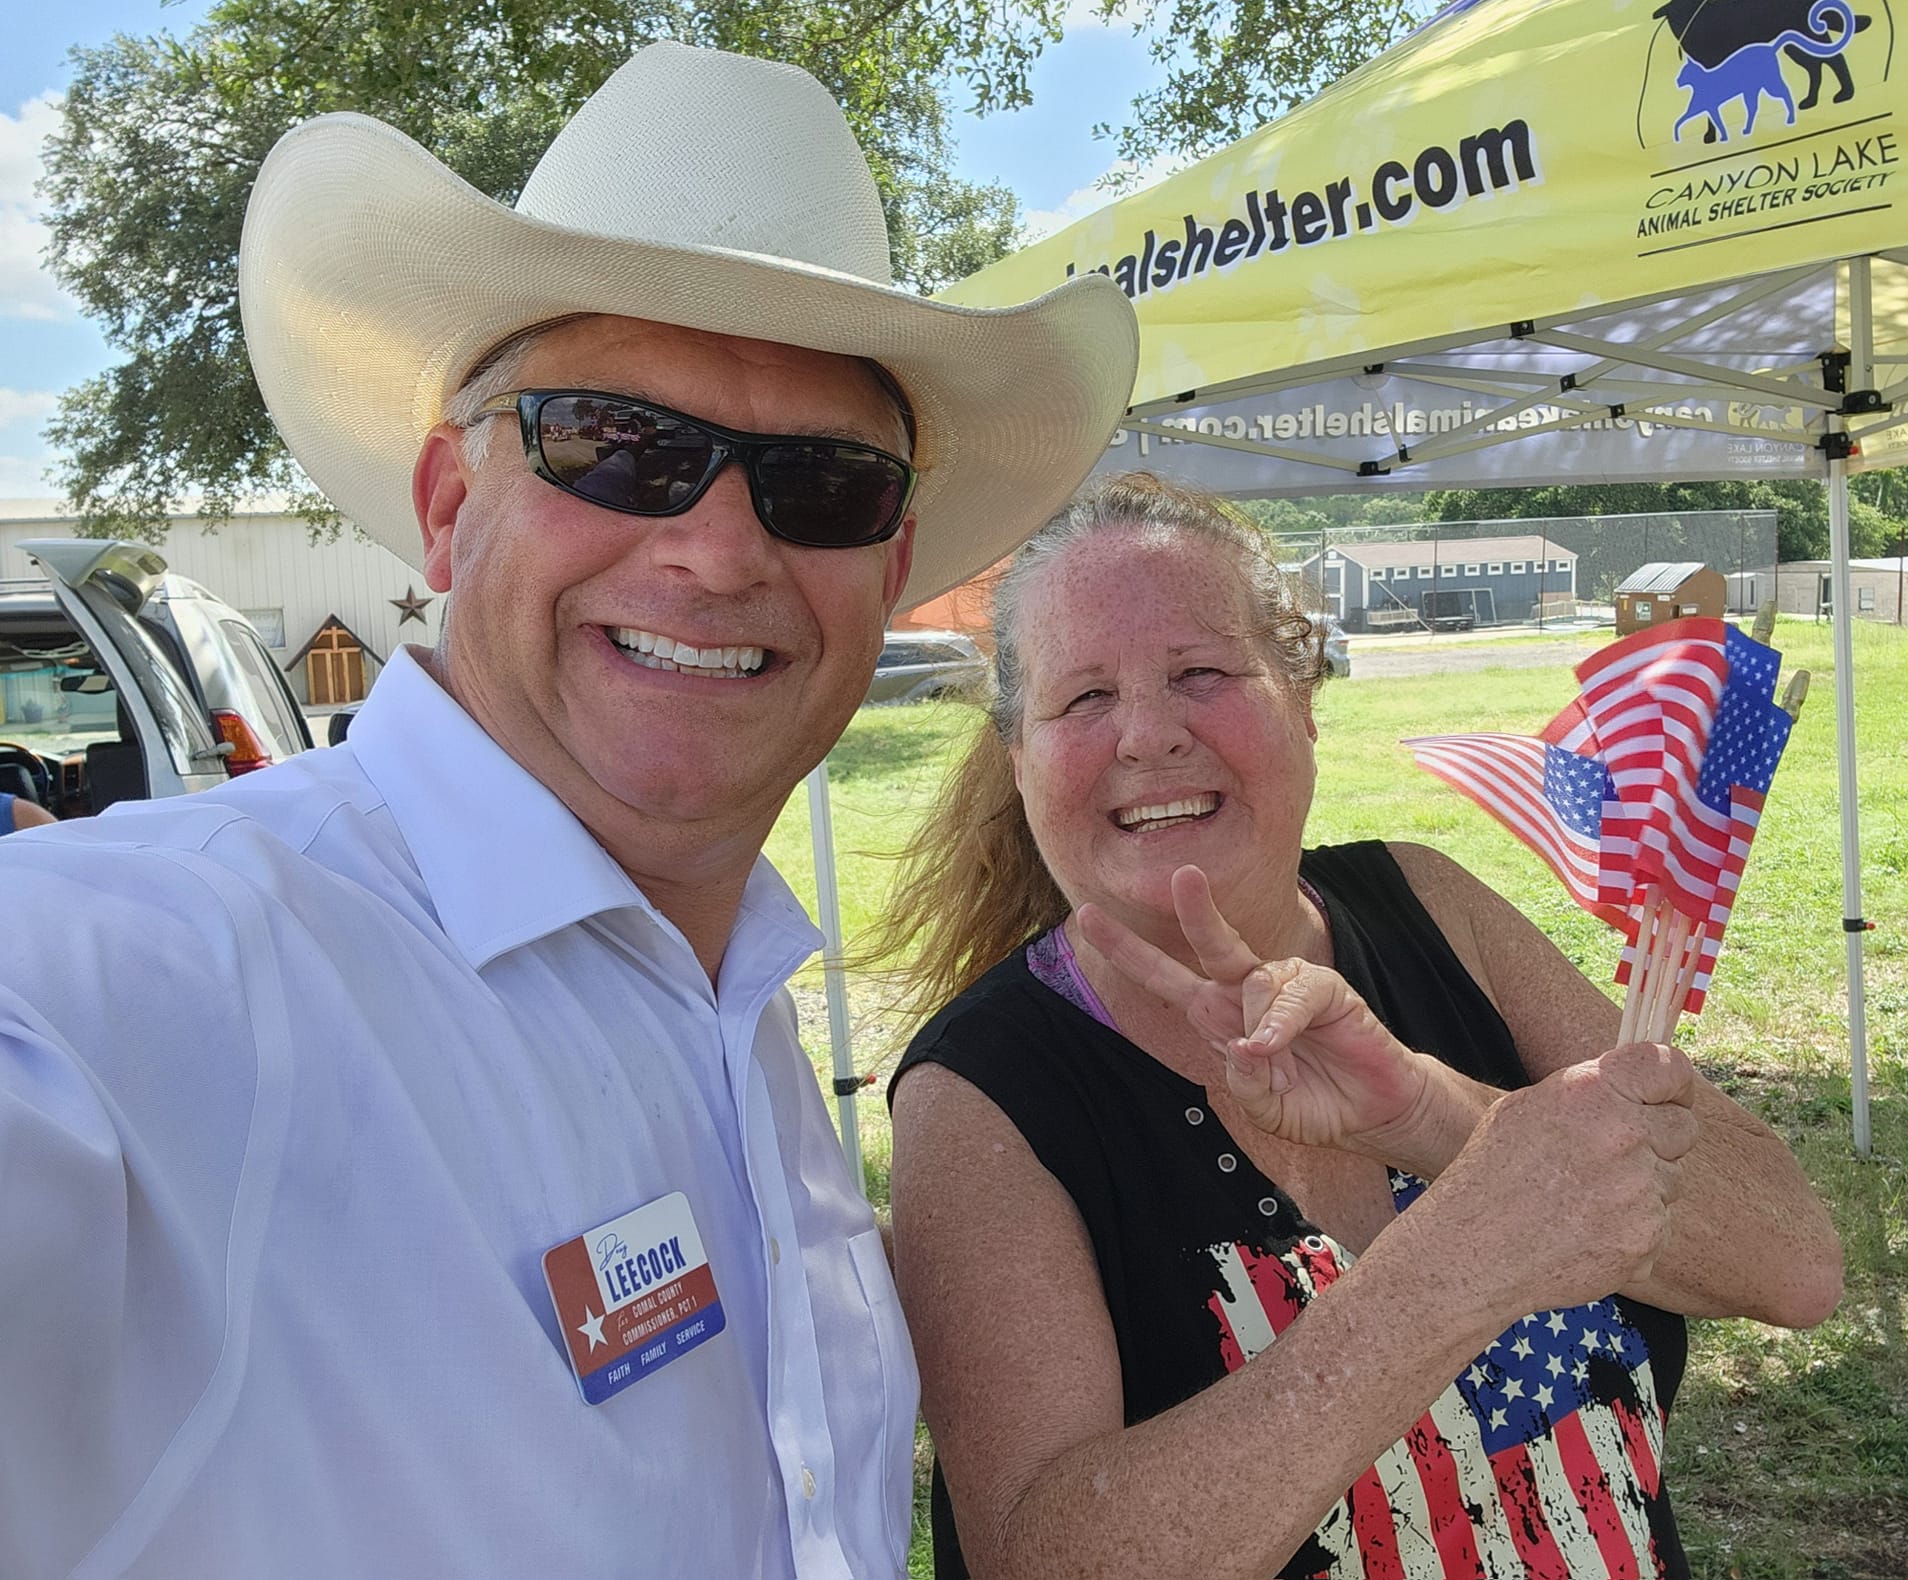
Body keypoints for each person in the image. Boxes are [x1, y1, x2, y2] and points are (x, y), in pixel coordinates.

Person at [0, 43, 1135, 1580]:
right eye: (617, 446)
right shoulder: (135, 979)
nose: (722, 549)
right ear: (451, 509)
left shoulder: (742, 1015)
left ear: (887, 563)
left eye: (820, 486)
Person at [883, 474, 1842, 1580]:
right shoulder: (981, 1091)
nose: (1146, 734)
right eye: (1082, 698)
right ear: (1018, 756)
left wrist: (1437, 1117)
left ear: (1300, 698)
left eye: (1200, 671)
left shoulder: (1429, 906)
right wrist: (1459, 1260)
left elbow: (1794, 1263)